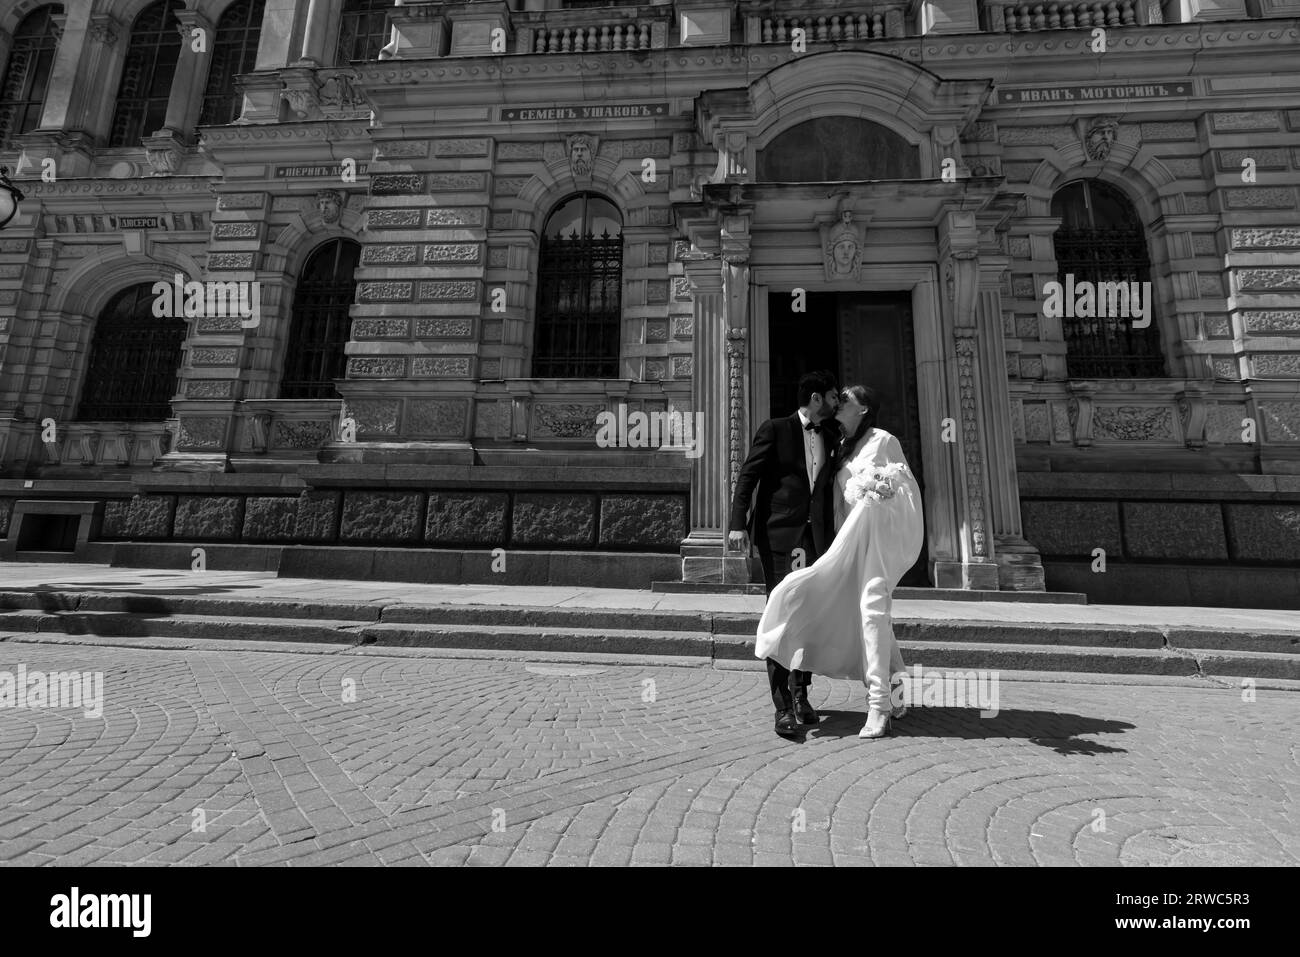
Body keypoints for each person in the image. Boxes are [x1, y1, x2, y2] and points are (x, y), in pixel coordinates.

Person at [754, 385, 924, 739]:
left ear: (863, 409)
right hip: (847, 546)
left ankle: (879, 706)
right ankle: (898, 691)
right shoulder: (842, 445)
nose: (838, 404)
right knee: (872, 616)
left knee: (872, 612)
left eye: (846, 400)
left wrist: (882, 491)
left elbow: (906, 489)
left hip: (875, 546)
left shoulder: (883, 440)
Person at [728, 370, 841, 739]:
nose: (837, 402)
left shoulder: (830, 436)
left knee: (806, 617)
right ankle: (782, 707)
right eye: (833, 396)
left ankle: (801, 696)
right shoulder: (775, 429)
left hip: (815, 539)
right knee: (781, 616)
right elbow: (749, 476)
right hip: (779, 536)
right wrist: (737, 524)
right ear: (815, 399)